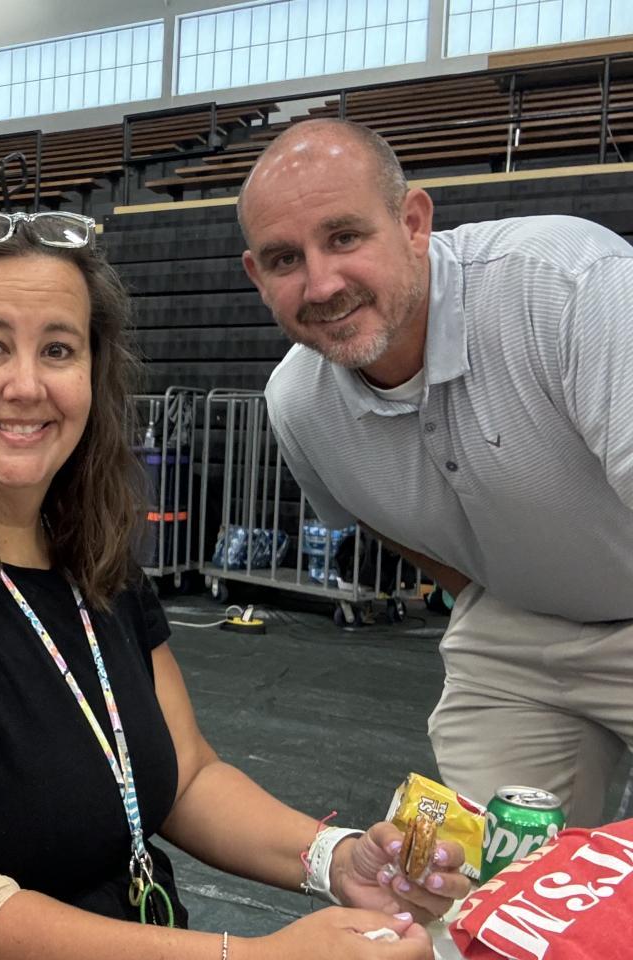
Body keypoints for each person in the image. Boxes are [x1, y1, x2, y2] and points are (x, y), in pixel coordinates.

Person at [0, 209, 468, 960]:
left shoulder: (96, 558)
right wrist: (253, 958)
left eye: (59, 349)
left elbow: (184, 777)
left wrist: (335, 860)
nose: (28, 385)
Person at [238, 118, 633, 827]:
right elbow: (374, 518)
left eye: (344, 237)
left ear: (413, 223)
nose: (321, 284)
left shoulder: (571, 285)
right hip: (513, 636)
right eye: (285, 258)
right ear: (256, 277)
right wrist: (491, 590)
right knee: (488, 874)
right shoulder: (297, 403)